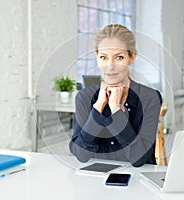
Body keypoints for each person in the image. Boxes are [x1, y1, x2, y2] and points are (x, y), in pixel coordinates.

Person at [69, 24, 162, 167]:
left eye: (119, 57)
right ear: (96, 57)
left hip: (138, 181)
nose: (110, 66)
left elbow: (138, 158)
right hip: (95, 181)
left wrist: (116, 110)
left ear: (131, 57)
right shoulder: (84, 97)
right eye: (103, 57)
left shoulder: (150, 98)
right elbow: (81, 155)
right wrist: (98, 108)